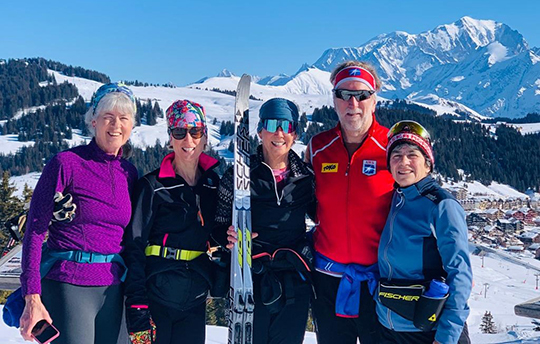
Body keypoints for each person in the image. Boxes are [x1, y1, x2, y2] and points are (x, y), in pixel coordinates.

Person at [19, 82, 139, 344]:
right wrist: (32, 296)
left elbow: (133, 239)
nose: (115, 125)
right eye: (108, 117)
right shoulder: (66, 163)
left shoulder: (129, 174)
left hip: (113, 288)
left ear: (132, 125)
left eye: (123, 118)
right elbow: (35, 231)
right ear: (93, 121)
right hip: (68, 283)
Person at [305, 61, 395, 343]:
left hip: (379, 283)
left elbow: (423, 206)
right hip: (328, 280)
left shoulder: (394, 146)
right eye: (343, 94)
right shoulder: (317, 147)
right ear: (334, 100)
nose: (352, 103)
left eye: (362, 94)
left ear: (374, 99)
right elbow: (294, 200)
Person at [215, 98, 315, 344]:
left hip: (293, 279)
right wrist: (227, 237)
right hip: (250, 280)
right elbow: (218, 225)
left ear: (294, 133)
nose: (279, 132)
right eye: (271, 124)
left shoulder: (306, 177)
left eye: (286, 126)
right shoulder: (239, 174)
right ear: (260, 130)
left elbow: (322, 217)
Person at [122, 100, 220, 344]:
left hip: (195, 296)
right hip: (157, 296)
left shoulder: (213, 185)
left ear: (204, 137)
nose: (188, 141)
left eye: (195, 132)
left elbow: (218, 233)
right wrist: (136, 302)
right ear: (170, 138)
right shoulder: (152, 186)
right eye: (180, 132)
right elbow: (134, 245)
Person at [376, 120, 472, 344]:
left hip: (430, 330)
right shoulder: (395, 200)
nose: (404, 162)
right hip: (390, 329)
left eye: (412, 154)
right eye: (396, 155)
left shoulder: (441, 205)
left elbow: (460, 274)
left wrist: (447, 337)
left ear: (428, 164)